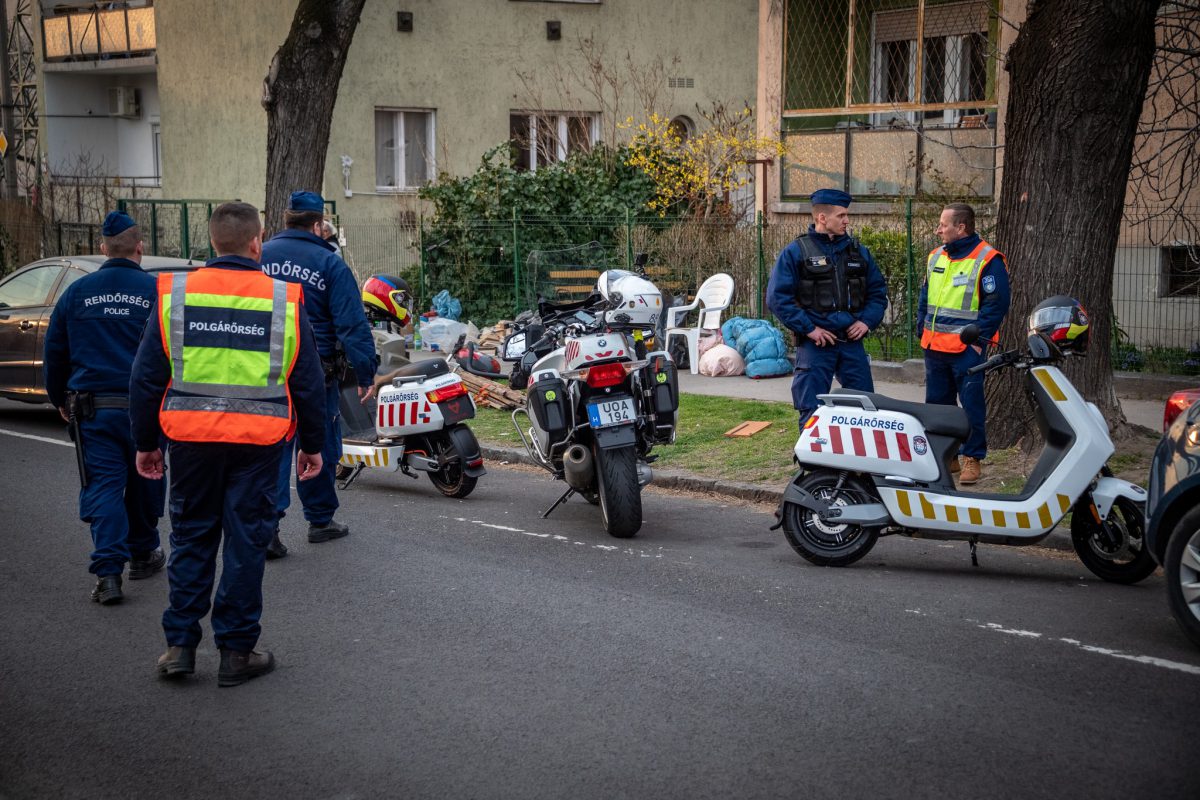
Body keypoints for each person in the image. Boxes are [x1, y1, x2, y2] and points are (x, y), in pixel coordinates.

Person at [130, 201, 326, 687]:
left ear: (212, 242)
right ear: (257, 242)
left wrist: (146, 442)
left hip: (191, 441)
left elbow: (146, 376)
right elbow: (308, 381)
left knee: (192, 537)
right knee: (246, 542)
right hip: (259, 443)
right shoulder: (283, 298)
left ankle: (179, 647)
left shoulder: (177, 292)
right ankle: (237, 653)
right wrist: (313, 444)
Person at [43, 210, 166, 605]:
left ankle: (109, 574)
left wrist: (59, 397)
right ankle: (144, 553)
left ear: (102, 248)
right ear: (140, 248)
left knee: (104, 487)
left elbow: (55, 354)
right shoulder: (157, 292)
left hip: (94, 410)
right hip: (146, 407)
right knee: (147, 477)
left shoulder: (77, 293)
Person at [259, 191, 376, 558]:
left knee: (273, 450)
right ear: (316, 224)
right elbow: (352, 324)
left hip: (265, 374)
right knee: (321, 444)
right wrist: (367, 372)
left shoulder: (259, 257)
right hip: (316, 375)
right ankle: (320, 521)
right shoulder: (329, 264)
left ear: (286, 220)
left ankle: (268, 529)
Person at [767, 188, 889, 427]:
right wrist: (809, 329)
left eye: (847, 215)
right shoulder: (796, 252)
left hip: (852, 344)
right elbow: (777, 298)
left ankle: (859, 461)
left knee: (865, 406)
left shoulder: (859, 252)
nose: (847, 220)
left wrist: (865, 321)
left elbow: (877, 293)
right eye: (841, 215)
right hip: (816, 344)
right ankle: (813, 463)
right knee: (811, 408)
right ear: (822, 218)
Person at [916, 202, 1011, 485]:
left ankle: (973, 458)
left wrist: (977, 342)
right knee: (937, 407)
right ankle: (948, 456)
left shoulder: (988, 259)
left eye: (943, 225)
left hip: (965, 351)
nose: (938, 230)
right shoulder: (935, 257)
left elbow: (997, 306)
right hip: (934, 348)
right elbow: (925, 298)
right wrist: (921, 326)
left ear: (961, 227)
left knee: (972, 406)